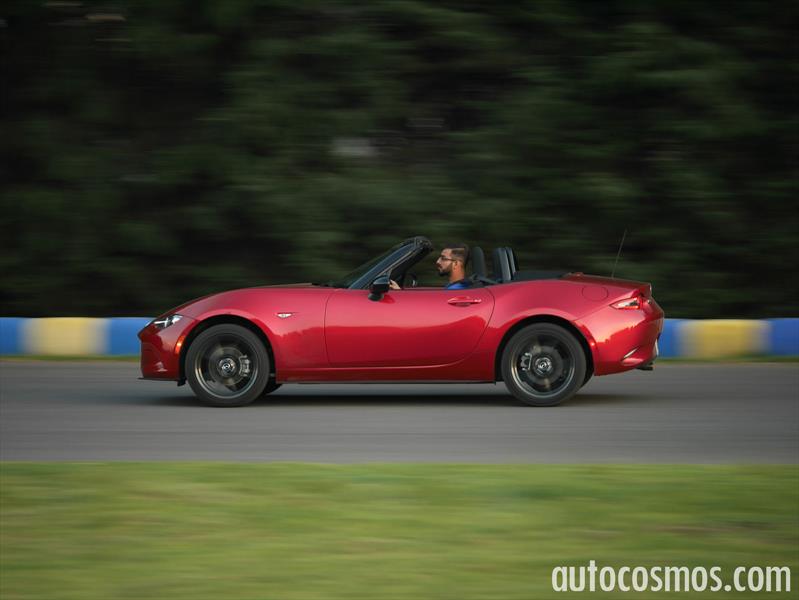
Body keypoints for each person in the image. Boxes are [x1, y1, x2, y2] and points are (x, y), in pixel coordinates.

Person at [389, 243, 473, 290]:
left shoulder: (455, 290)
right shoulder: (455, 286)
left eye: (443, 258)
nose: (438, 261)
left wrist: (399, 293)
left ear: (456, 264)